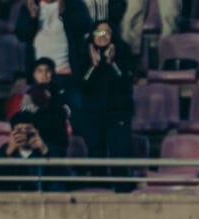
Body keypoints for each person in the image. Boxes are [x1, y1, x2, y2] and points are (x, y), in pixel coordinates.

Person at [15, 0, 92, 128]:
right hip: (39, 77)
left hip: (66, 73)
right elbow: (21, 35)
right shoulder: (30, 6)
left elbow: (84, 28)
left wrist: (65, 14)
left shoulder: (73, 4)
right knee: (38, 120)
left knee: (76, 115)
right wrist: (32, 18)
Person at [80, 20, 135, 189]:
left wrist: (112, 63)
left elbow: (125, 83)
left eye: (107, 32)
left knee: (119, 153)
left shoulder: (123, 52)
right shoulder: (84, 54)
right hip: (94, 114)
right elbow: (83, 85)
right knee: (96, 153)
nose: (102, 36)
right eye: (99, 32)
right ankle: (99, 190)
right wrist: (94, 65)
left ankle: (122, 191)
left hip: (118, 113)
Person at [14, 57, 71, 158]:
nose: (44, 74)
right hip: (38, 143)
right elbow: (28, 119)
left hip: (59, 142)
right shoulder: (29, 96)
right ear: (34, 75)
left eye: (48, 71)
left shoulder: (60, 93)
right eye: (40, 71)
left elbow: (66, 113)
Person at [0, 111, 53, 191]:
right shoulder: (5, 150)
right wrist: (8, 153)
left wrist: (44, 151)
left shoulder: (46, 149)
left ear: (36, 131)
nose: (23, 133)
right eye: (19, 130)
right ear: (12, 133)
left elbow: (60, 179)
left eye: (28, 129)